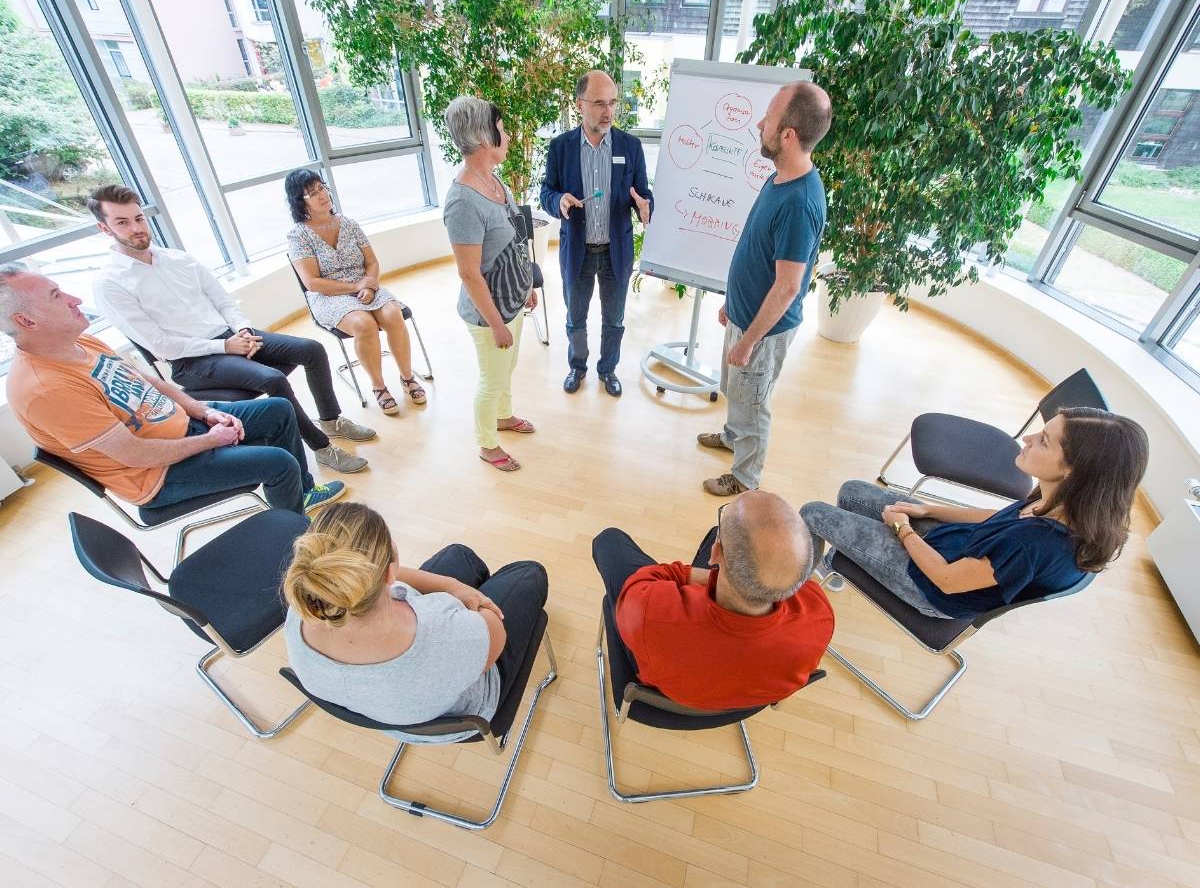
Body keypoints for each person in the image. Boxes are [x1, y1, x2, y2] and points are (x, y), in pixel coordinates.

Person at [0, 265, 345, 516]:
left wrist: (204, 412)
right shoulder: (44, 389)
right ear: (26, 322)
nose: (74, 299)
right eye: (56, 296)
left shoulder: (80, 340)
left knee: (279, 411)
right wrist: (212, 439)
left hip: (184, 428)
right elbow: (134, 455)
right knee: (278, 462)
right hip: (158, 475)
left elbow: (151, 383)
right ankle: (293, 537)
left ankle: (301, 494)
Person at [88, 185, 375, 476]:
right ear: (104, 228)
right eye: (122, 222)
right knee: (273, 379)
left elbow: (223, 301)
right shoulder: (110, 284)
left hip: (230, 337)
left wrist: (243, 330)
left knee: (311, 350)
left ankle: (330, 420)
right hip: (192, 361)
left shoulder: (178, 259)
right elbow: (161, 346)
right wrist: (225, 347)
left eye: (138, 218)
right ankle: (321, 447)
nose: (136, 228)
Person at [800, 409, 1150, 619]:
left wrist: (903, 530)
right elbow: (997, 519)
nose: (1027, 439)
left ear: (1075, 468)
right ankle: (836, 563)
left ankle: (791, 591)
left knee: (812, 513)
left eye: (1044, 441)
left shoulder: (1038, 544)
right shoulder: (1061, 500)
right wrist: (928, 508)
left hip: (929, 586)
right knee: (852, 491)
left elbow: (948, 580)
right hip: (950, 547)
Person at [282, 502, 549, 741]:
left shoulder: (306, 606)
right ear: (389, 574)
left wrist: (451, 585)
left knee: (459, 555)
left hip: (385, 714)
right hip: (468, 711)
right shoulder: (441, 631)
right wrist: (473, 600)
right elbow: (495, 631)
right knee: (528, 573)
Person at [697, 81, 832, 496]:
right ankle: (732, 435)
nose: (759, 123)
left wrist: (749, 340)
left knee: (754, 404)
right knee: (736, 390)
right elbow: (755, 248)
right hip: (745, 315)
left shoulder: (799, 202)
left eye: (769, 117)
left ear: (788, 134)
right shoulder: (780, 178)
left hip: (764, 331)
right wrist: (732, 301)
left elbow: (789, 286)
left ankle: (744, 477)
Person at [592, 491, 833, 710]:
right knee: (714, 534)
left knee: (609, 540)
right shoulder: (820, 616)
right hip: (744, 697)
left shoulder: (651, 611)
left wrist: (703, 575)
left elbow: (645, 581)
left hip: (665, 693)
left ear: (716, 555)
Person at [540, 70, 653, 398]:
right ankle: (577, 366)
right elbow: (547, 191)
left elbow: (643, 193)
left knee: (614, 319)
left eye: (613, 103)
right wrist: (558, 200)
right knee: (576, 317)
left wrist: (646, 207)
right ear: (580, 104)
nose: (608, 111)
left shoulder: (630, 147)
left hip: (615, 251)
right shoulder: (560, 148)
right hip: (577, 250)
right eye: (600, 103)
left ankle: (608, 369)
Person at [442, 96, 539, 473]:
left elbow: (515, 240)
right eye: (502, 128)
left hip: (511, 299)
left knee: (506, 368)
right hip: (488, 313)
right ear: (484, 136)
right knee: (491, 376)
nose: (509, 135)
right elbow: (468, 273)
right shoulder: (463, 202)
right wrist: (497, 323)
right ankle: (487, 444)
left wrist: (527, 284)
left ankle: (504, 415)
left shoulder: (493, 180)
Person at [285, 168, 427, 416]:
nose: (321, 195)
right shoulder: (298, 235)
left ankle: (407, 377)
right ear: (300, 202)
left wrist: (370, 284)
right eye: (312, 193)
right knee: (364, 324)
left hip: (365, 285)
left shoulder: (349, 224)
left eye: (322, 188)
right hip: (329, 295)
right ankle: (379, 387)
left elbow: (371, 261)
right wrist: (355, 287)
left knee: (393, 315)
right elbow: (312, 282)